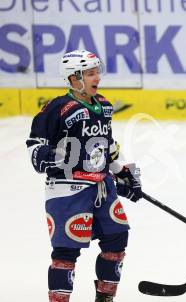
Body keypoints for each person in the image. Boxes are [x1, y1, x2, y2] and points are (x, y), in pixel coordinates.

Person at [26, 50, 143, 302]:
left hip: (101, 188)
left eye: (96, 71)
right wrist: (61, 158)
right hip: (67, 189)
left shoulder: (104, 105)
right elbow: (35, 148)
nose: (96, 77)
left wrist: (123, 171)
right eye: (90, 73)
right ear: (73, 78)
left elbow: (107, 146)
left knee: (117, 237)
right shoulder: (57, 108)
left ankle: (105, 298)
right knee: (66, 252)